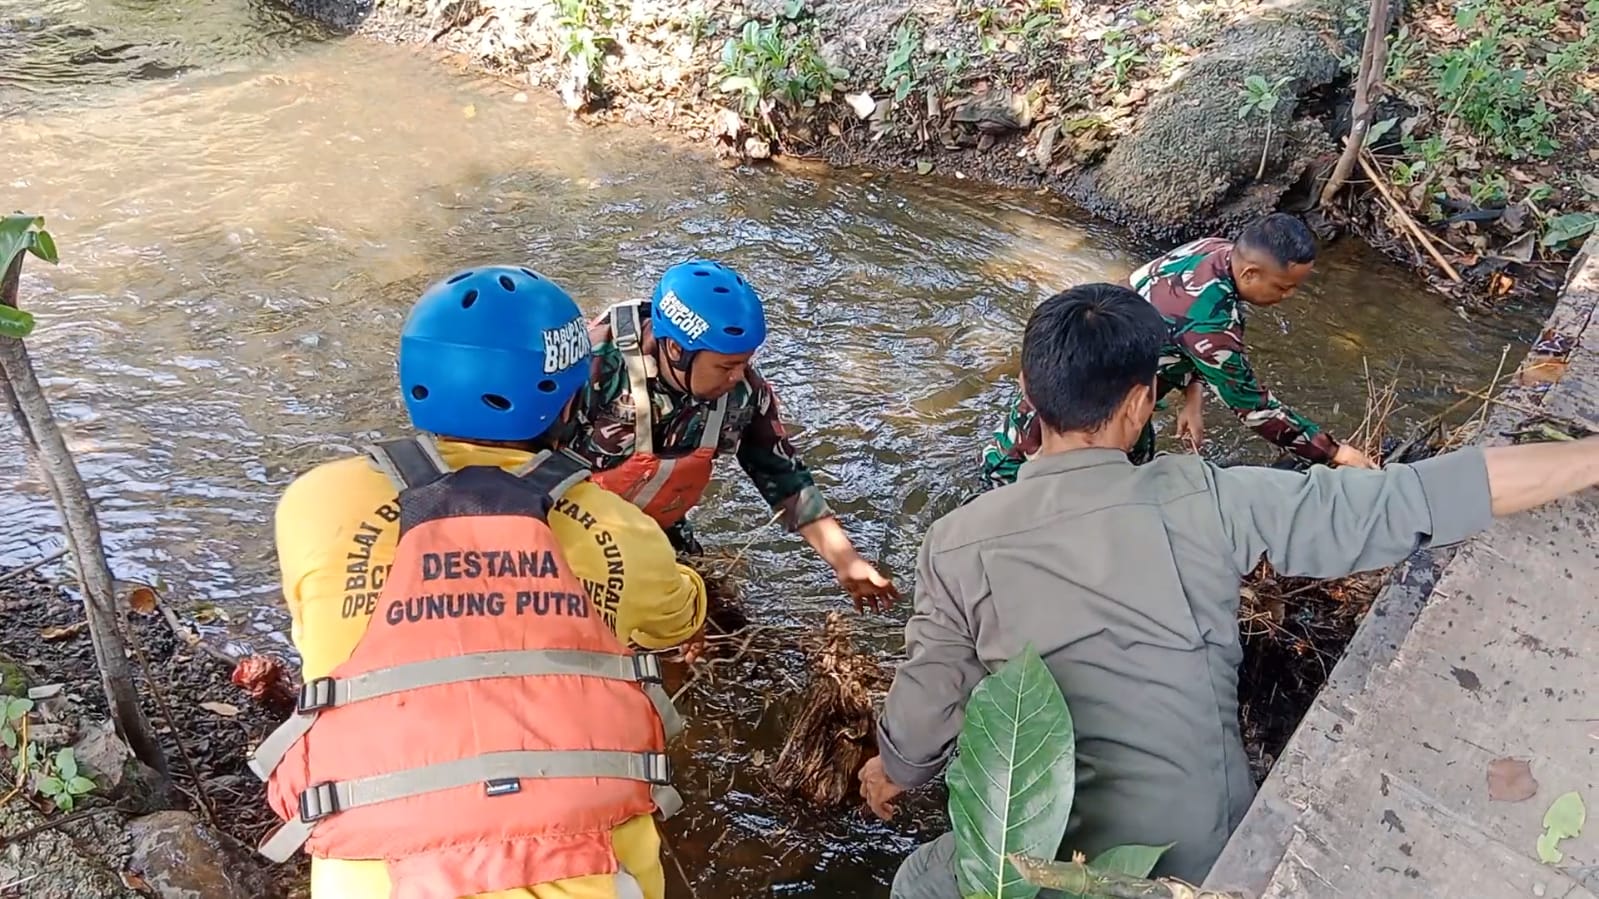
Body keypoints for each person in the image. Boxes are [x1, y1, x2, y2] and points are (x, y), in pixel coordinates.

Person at [863, 282, 1599, 893]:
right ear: (1141, 402)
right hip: (1194, 862)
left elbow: (928, 708)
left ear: (1028, 388)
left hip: (1038, 860)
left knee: (915, 882)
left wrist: (890, 774)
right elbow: (1422, 497)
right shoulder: (1208, 496)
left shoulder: (955, 542)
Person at [259, 266, 707, 899]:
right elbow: (679, 617)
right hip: (591, 868)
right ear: (571, 399)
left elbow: (321, 625)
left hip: (381, 872)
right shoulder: (619, 525)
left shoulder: (315, 502)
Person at [571, 258, 900, 612]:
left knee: (716, 619)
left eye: (745, 362)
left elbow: (785, 476)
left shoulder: (743, 393)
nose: (737, 376)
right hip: (567, 530)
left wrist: (846, 561)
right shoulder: (589, 367)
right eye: (726, 366)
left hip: (655, 531)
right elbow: (519, 460)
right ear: (676, 350)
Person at [980, 213, 1377, 485]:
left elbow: (1175, 324)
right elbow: (1253, 407)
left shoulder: (1213, 251)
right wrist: (1334, 452)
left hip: (1090, 376)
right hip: (1090, 408)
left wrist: (1193, 396)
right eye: (1284, 287)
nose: (1288, 297)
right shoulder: (1213, 323)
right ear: (1251, 273)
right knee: (1046, 488)